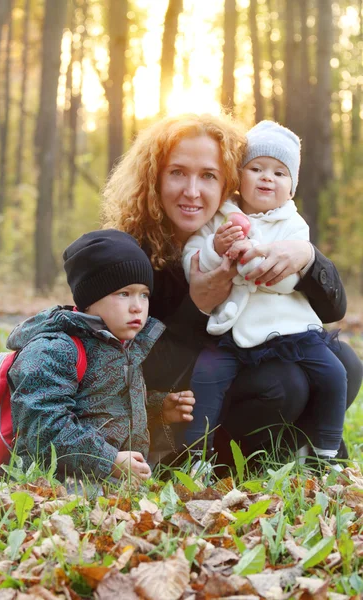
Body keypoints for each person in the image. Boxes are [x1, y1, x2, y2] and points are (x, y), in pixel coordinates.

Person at [102, 113, 362, 462]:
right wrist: (196, 305)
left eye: (208, 176)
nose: (192, 192)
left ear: (228, 181)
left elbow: (333, 309)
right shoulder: (131, 255)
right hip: (184, 402)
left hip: (250, 351)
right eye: (177, 172)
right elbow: (129, 367)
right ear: (154, 179)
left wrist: (308, 257)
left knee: (346, 361)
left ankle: (308, 454)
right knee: (284, 385)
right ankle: (219, 461)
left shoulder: (254, 224)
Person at [182, 120, 347, 468]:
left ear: (291, 187)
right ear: (239, 177)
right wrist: (218, 247)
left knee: (336, 373)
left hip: (290, 329)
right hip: (234, 327)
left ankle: (325, 451)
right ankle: (195, 453)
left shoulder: (293, 224)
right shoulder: (222, 215)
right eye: (256, 168)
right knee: (207, 376)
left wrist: (254, 259)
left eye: (279, 173)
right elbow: (195, 258)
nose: (267, 178)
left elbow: (289, 280)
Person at [7, 230, 194, 481]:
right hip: (56, 488)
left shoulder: (123, 345)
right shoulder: (53, 349)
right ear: (90, 300)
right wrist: (109, 460)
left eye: (144, 294)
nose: (137, 305)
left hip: (107, 486)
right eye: (124, 294)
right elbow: (42, 429)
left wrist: (157, 408)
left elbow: (102, 406)